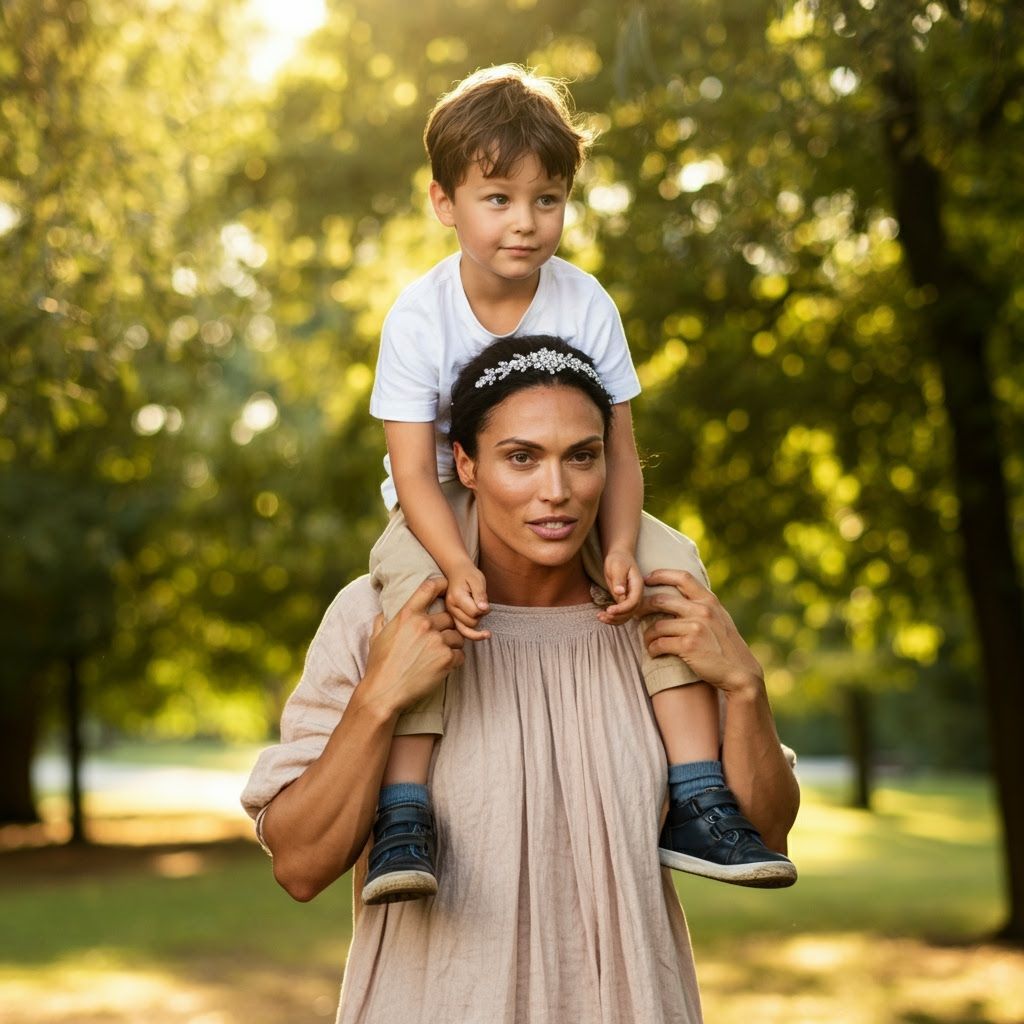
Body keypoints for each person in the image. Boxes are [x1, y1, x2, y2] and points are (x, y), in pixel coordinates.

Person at [242, 338, 800, 1023]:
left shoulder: (662, 622)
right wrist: (380, 698)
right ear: (468, 467)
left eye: (582, 456)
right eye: (522, 457)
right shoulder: (378, 616)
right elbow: (299, 867)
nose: (556, 491)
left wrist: (746, 686)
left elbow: (766, 836)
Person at [365, 65, 795, 903]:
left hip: (568, 483)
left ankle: (699, 793)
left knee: (674, 569)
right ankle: (404, 809)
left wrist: (626, 545)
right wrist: (456, 566)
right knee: (411, 596)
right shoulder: (418, 316)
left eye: (547, 199)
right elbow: (414, 469)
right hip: (446, 499)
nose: (525, 223)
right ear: (444, 203)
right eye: (498, 198)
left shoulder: (586, 302)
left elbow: (622, 451)